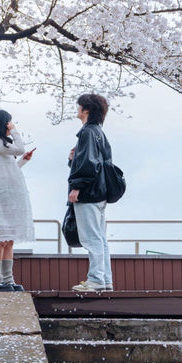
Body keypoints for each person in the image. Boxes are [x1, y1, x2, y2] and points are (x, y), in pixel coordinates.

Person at [0, 109, 35, 291]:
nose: (10, 125)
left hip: (9, 195)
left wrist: (23, 161)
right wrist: (15, 130)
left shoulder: (2, 147)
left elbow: (10, 170)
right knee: (0, 239)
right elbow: (20, 147)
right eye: (8, 122)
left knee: (10, 239)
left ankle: (8, 279)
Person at [67, 93, 113, 293]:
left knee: (91, 238)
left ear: (86, 109)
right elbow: (101, 163)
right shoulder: (99, 133)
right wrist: (73, 159)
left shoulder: (86, 133)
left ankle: (95, 280)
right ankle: (104, 279)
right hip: (100, 192)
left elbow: (88, 164)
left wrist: (77, 186)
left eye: (79, 106)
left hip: (88, 193)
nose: (77, 109)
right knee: (100, 238)